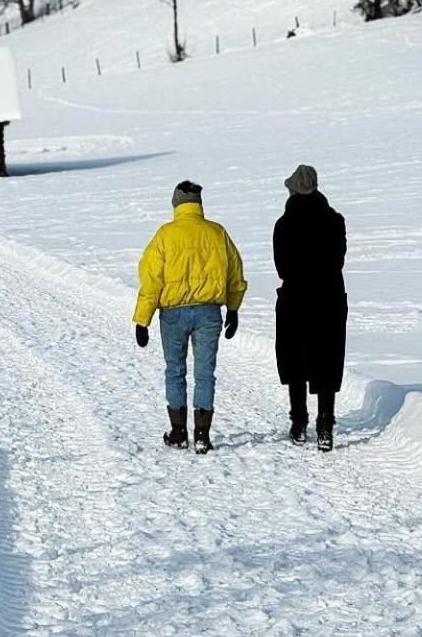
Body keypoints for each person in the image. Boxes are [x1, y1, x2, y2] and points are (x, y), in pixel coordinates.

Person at [134, 180, 247, 454]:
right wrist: (233, 308)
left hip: (172, 313)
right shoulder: (217, 233)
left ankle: (178, 432)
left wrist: (142, 319)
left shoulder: (165, 235)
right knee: (205, 373)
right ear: (199, 204)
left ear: (175, 203)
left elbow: (151, 279)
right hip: (209, 312)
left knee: (175, 371)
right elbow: (235, 273)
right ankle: (202, 436)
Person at [274, 164, 347, 451]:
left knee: (296, 362)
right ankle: (326, 424)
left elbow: (281, 266)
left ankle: (299, 422)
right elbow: (339, 259)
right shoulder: (335, 220)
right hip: (329, 297)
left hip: (295, 297)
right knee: (326, 360)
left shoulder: (283, 224)